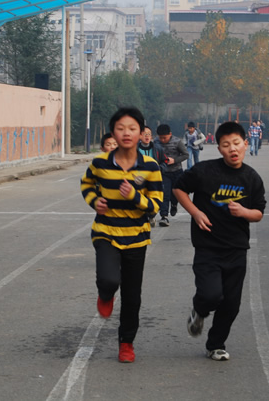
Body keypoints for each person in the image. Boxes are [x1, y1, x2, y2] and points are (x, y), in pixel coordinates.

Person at [173, 121, 266, 361]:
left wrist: (244, 212)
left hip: (236, 249)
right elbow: (179, 188)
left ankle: (216, 344)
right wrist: (195, 212)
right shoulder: (205, 171)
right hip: (208, 247)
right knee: (212, 294)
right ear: (219, 147)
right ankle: (199, 309)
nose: (232, 149)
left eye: (236, 144)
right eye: (226, 145)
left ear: (245, 144)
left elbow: (258, 213)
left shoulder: (251, 178)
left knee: (231, 304)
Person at [80, 107, 163, 363]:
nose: (126, 133)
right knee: (108, 280)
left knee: (132, 295)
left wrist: (134, 196)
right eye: (120, 128)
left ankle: (126, 343)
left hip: (137, 236)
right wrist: (95, 201)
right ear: (113, 131)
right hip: (106, 231)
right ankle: (105, 294)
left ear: (141, 132)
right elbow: (86, 184)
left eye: (132, 128)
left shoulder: (150, 166)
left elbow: (156, 204)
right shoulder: (100, 162)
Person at [154, 124, 188, 227]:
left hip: (177, 171)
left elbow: (186, 155)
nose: (163, 140)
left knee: (175, 194)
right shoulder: (156, 142)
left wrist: (175, 160)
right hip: (164, 173)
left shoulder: (177, 142)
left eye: (165, 137)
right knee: (165, 194)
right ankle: (164, 216)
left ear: (170, 134)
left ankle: (174, 204)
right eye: (161, 137)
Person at [138, 126, 168, 227]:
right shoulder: (134, 149)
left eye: (149, 134)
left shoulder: (158, 148)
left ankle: (152, 214)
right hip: (139, 179)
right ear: (139, 136)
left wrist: (160, 169)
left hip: (154, 179)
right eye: (144, 134)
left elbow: (165, 161)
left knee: (155, 198)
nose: (147, 136)